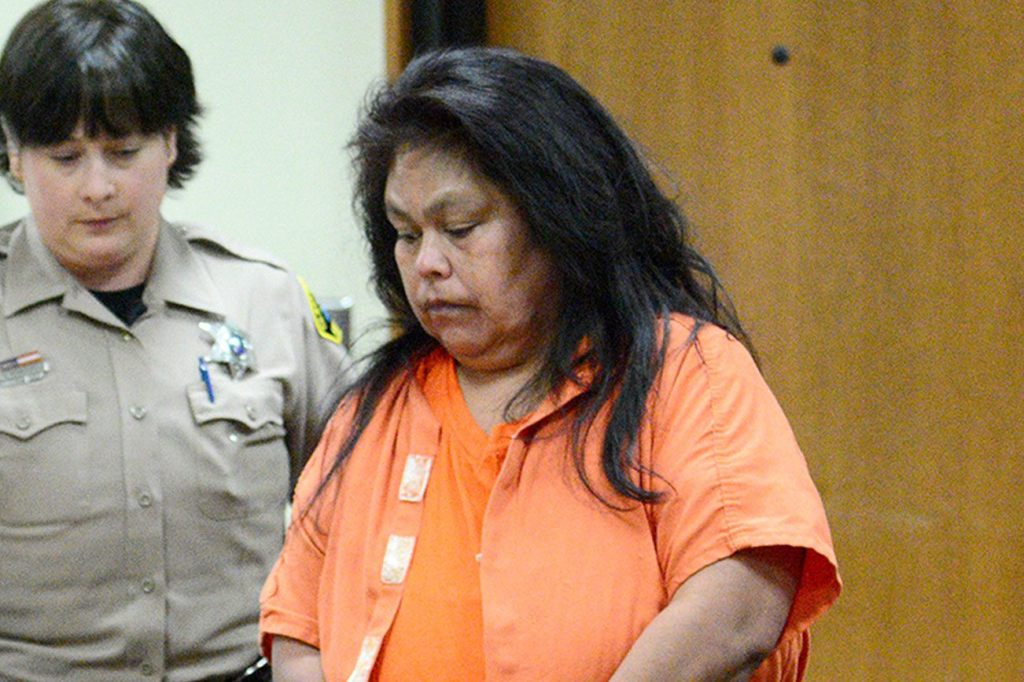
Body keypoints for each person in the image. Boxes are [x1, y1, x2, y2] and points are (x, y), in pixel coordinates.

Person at [260, 47, 841, 681]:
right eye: (407, 233)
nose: (427, 263)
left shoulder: (684, 371)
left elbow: (738, 606)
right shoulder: (374, 408)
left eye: (461, 227)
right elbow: (297, 628)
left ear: (559, 220)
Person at [0, 1, 350, 679]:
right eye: (65, 157)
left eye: (124, 152)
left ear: (171, 143)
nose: (98, 187)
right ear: (14, 153)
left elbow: (359, 504)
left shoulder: (265, 300)